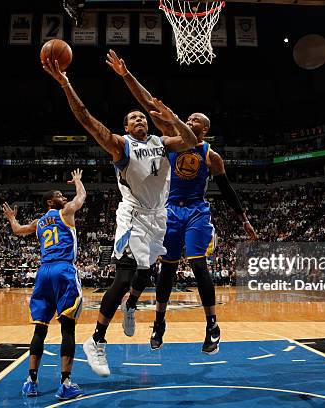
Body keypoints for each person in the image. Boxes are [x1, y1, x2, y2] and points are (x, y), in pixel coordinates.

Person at [43, 57, 198, 376]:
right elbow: (86, 118)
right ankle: (96, 341)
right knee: (124, 277)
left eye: (142, 116)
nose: (139, 117)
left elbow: (191, 141)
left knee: (144, 277)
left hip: (159, 219)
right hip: (133, 217)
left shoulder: (162, 142)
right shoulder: (120, 146)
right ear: (126, 127)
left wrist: (174, 118)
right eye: (133, 117)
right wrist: (65, 84)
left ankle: (130, 306)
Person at [105, 49, 257, 354]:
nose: (188, 120)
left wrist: (243, 219)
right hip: (168, 210)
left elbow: (227, 189)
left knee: (200, 265)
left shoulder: (211, 156)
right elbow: (148, 101)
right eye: (188, 118)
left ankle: (212, 325)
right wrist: (126, 75)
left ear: (205, 127)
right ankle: (159, 322)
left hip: (197, 211)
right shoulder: (171, 135)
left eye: (194, 120)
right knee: (168, 269)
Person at [2, 169, 86, 401]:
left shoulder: (38, 223)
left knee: (40, 328)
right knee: (67, 327)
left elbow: (18, 231)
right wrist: (78, 181)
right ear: (51, 201)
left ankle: (31, 381)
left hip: (43, 272)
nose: (65, 197)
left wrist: (11, 218)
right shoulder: (66, 212)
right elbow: (81, 198)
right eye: (60, 194)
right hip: (63, 270)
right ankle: (66, 383)